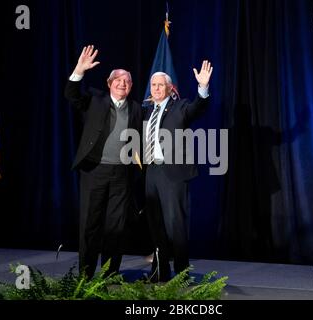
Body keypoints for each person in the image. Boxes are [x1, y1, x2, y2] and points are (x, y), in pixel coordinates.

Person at [65, 45, 142, 279]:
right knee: (90, 224)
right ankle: (86, 276)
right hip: (94, 170)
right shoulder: (94, 99)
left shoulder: (137, 109)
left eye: (127, 81)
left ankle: (110, 274)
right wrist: (79, 70)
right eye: (117, 80)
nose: (122, 84)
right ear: (109, 84)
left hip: (121, 175)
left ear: (131, 86)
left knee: (116, 227)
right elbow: (71, 94)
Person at [144, 61, 213, 282]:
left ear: (170, 88)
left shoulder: (181, 107)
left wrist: (202, 89)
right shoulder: (146, 111)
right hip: (151, 173)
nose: (155, 88)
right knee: (156, 226)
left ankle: (182, 274)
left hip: (173, 174)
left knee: (176, 225)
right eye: (153, 85)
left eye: (160, 85)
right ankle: (159, 272)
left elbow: (198, 107)